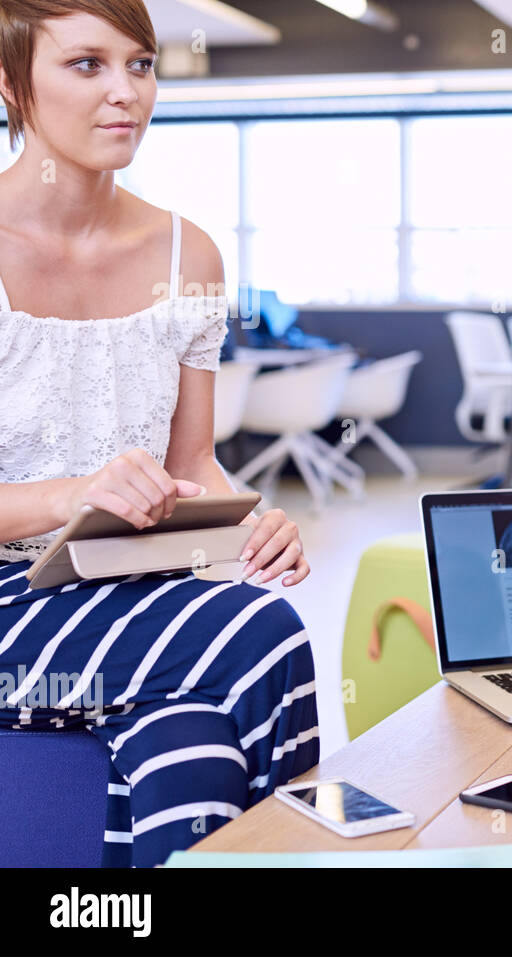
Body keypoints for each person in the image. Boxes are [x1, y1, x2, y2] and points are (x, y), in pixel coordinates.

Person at [0, 1, 318, 867]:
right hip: (8, 596)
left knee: (197, 753)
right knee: (262, 634)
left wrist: (249, 521)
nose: (125, 93)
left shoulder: (191, 256)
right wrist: (73, 494)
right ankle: (326, 851)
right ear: (9, 85)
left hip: (126, 583)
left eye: (140, 65)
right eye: (86, 65)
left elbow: (192, 464)